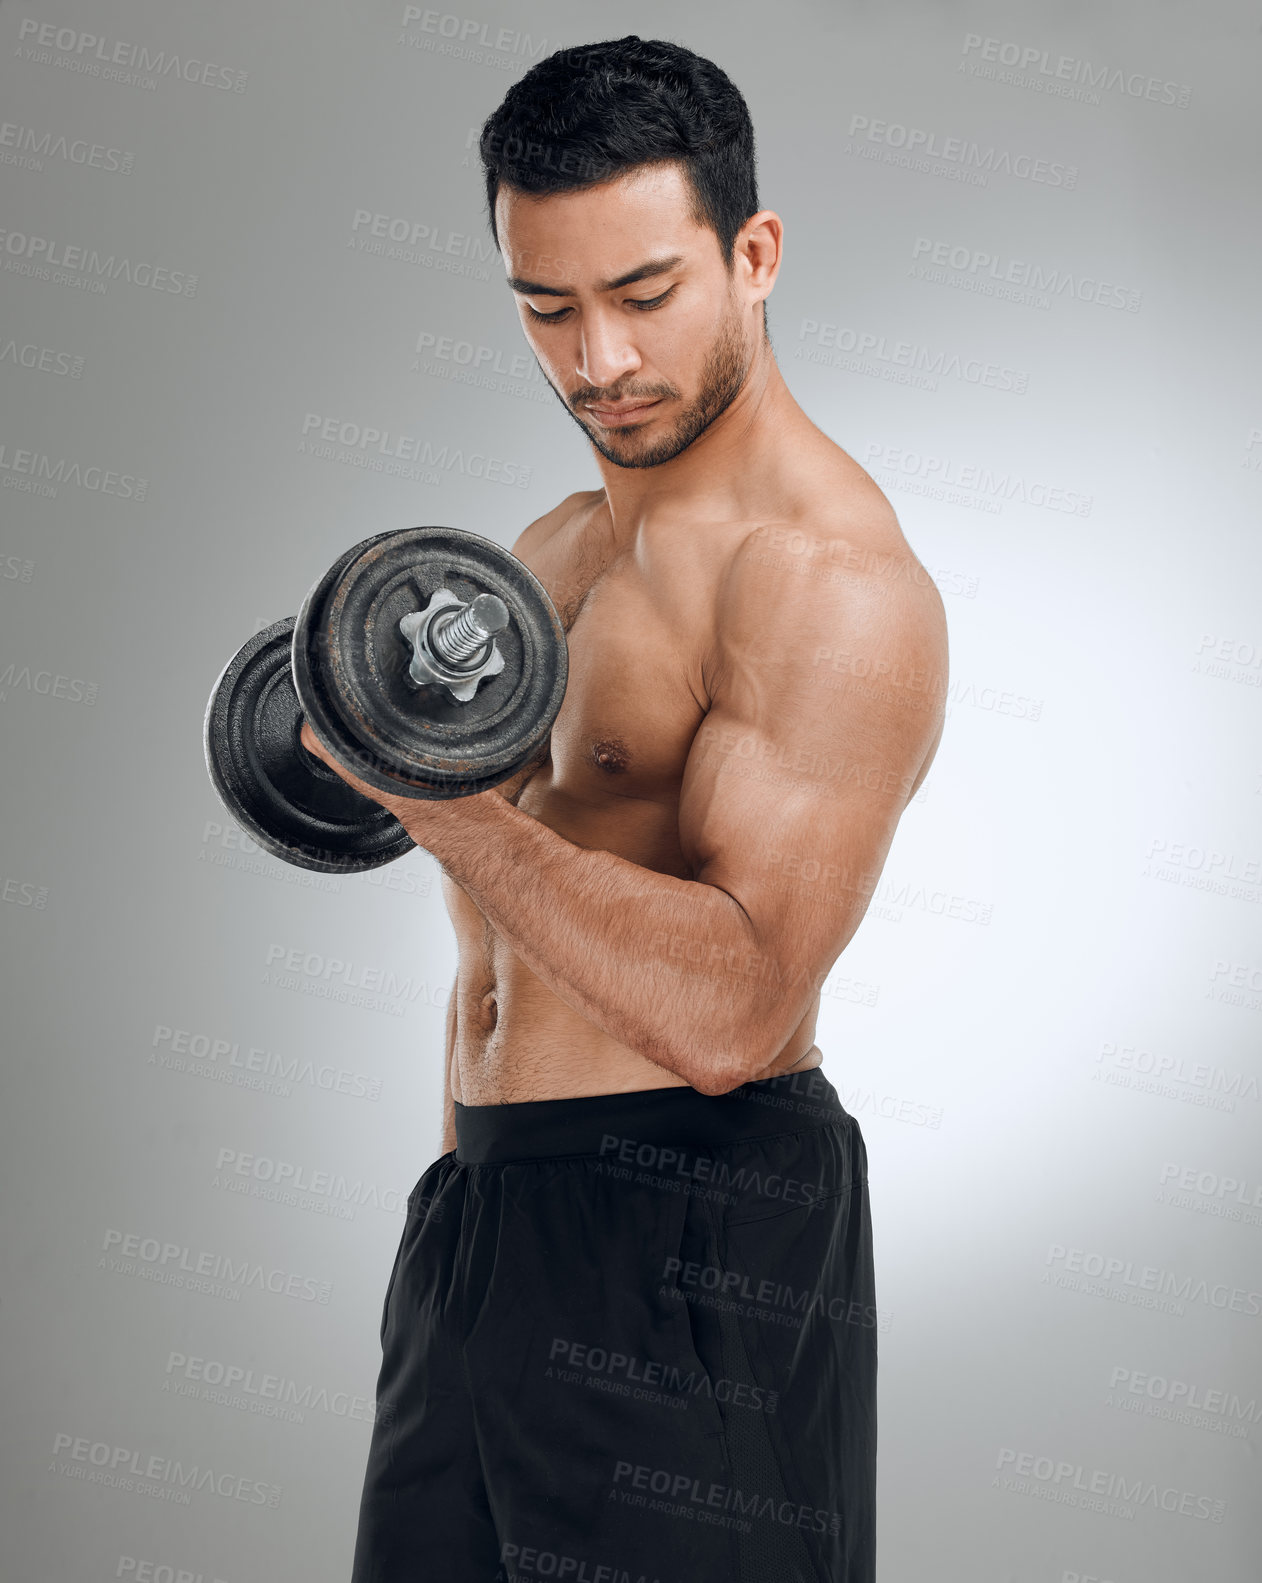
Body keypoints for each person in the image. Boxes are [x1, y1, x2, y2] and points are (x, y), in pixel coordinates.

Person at [301, 33, 947, 1583]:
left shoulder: (829, 583)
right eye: (547, 306)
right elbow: (500, 937)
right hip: (481, 1222)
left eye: (644, 295)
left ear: (753, 254)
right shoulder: (553, 546)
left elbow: (733, 1009)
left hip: (693, 1235)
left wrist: (435, 804)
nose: (597, 360)